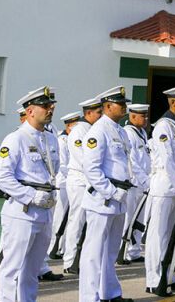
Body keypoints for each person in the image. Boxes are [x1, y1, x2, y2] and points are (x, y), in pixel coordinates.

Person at [0, 86, 60, 302]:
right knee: (12, 269)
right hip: (22, 211)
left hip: (45, 211)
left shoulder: (50, 138)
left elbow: (53, 171)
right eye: (44, 106)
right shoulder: (16, 139)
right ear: (30, 111)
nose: (50, 109)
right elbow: (2, 177)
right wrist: (31, 196)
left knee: (32, 271)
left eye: (51, 105)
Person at [79, 86, 137, 302]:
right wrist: (112, 192)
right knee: (93, 253)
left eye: (124, 103)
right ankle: (88, 297)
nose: (124, 107)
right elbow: (91, 169)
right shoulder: (97, 131)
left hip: (119, 197)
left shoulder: (121, 130)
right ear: (107, 107)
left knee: (111, 251)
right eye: (120, 104)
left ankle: (109, 293)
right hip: (102, 199)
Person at [145, 85, 175, 296]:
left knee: (171, 236)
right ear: (172, 102)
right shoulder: (163, 127)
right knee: (159, 235)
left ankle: (168, 276)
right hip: (165, 186)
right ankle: (154, 280)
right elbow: (167, 162)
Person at [63, 96, 103, 273]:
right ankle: (70, 261)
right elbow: (82, 159)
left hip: (90, 181)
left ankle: (83, 259)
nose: (102, 115)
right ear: (88, 113)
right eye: (98, 112)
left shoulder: (94, 129)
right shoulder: (79, 131)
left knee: (88, 222)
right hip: (80, 181)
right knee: (76, 221)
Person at [120, 103, 151, 264]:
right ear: (132, 117)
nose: (146, 119)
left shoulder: (142, 134)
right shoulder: (128, 133)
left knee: (140, 219)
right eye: (142, 116)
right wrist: (146, 179)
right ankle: (123, 251)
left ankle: (135, 251)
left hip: (143, 183)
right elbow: (132, 161)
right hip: (134, 183)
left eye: (146, 115)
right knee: (128, 218)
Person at [48, 111, 81, 260]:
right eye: (74, 124)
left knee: (70, 216)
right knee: (60, 216)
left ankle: (63, 247)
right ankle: (54, 246)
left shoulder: (73, 138)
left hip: (70, 182)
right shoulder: (62, 140)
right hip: (63, 182)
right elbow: (62, 164)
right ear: (68, 125)